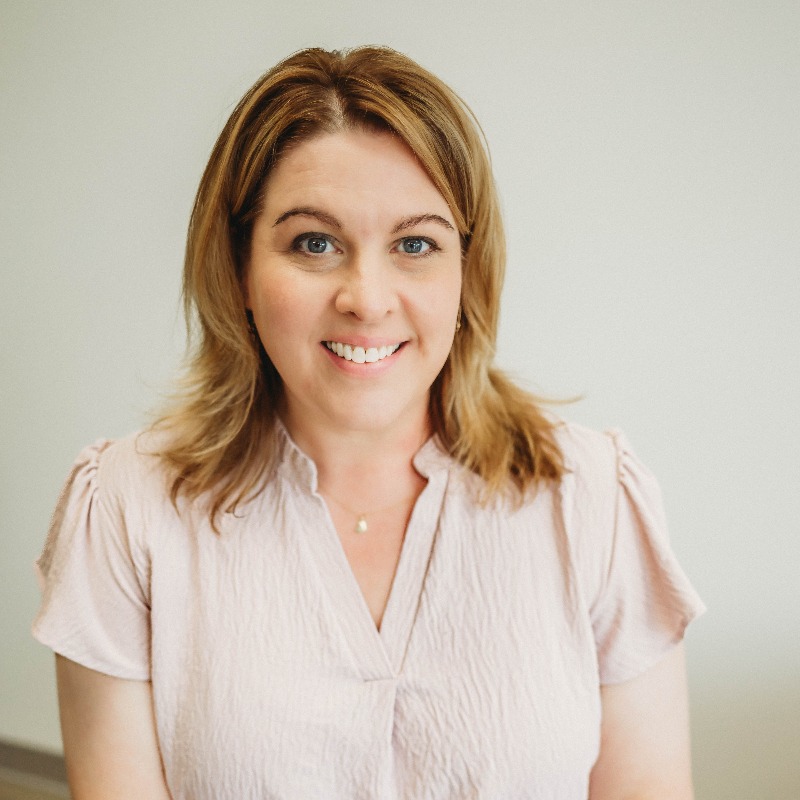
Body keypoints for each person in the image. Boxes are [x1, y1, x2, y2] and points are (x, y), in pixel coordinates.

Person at [33, 46, 704, 799]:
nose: (368, 297)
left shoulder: (591, 497)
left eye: (415, 244)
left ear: (466, 272)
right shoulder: (126, 507)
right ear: (238, 270)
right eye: (314, 243)